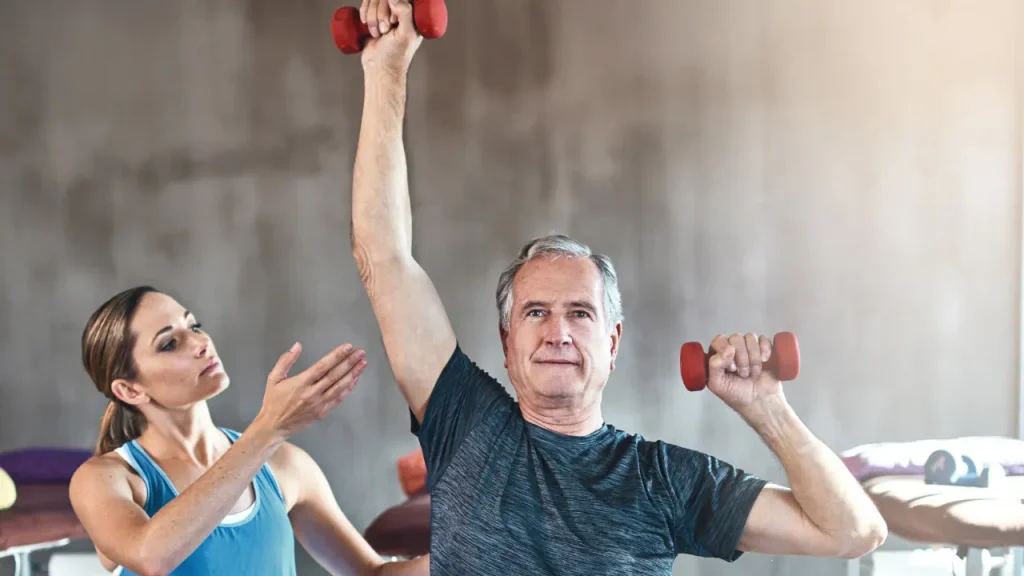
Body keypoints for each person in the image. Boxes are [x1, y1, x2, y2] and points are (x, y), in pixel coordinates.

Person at [348, 1, 888, 574]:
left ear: (612, 342)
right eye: (535, 312)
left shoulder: (662, 481)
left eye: (580, 313)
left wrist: (766, 409)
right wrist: (386, 70)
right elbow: (381, 253)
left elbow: (852, 531)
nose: (558, 331)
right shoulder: (465, 422)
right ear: (506, 344)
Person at [68, 286, 429, 576]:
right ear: (130, 390)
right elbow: (152, 558)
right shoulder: (105, 480)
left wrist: (471, 551)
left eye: (193, 326)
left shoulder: (285, 466)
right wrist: (268, 429)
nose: (200, 342)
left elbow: (372, 572)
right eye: (169, 343)